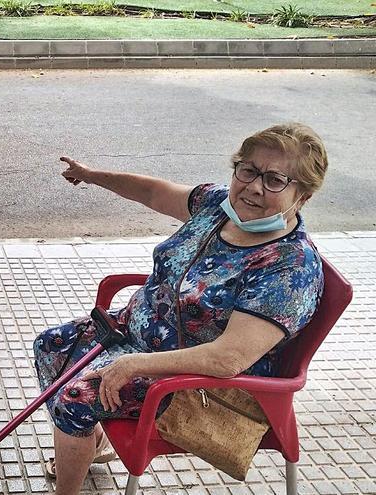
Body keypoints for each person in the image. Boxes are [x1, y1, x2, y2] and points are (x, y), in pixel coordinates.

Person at [34, 123, 327, 494]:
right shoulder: (218, 207)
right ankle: (86, 443)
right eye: (249, 170)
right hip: (135, 336)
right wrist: (91, 176)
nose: (254, 187)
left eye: (275, 180)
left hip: (196, 383)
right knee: (50, 346)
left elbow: (228, 358)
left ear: (303, 196)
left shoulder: (289, 267)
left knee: (73, 398)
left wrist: (133, 364)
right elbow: (153, 192)